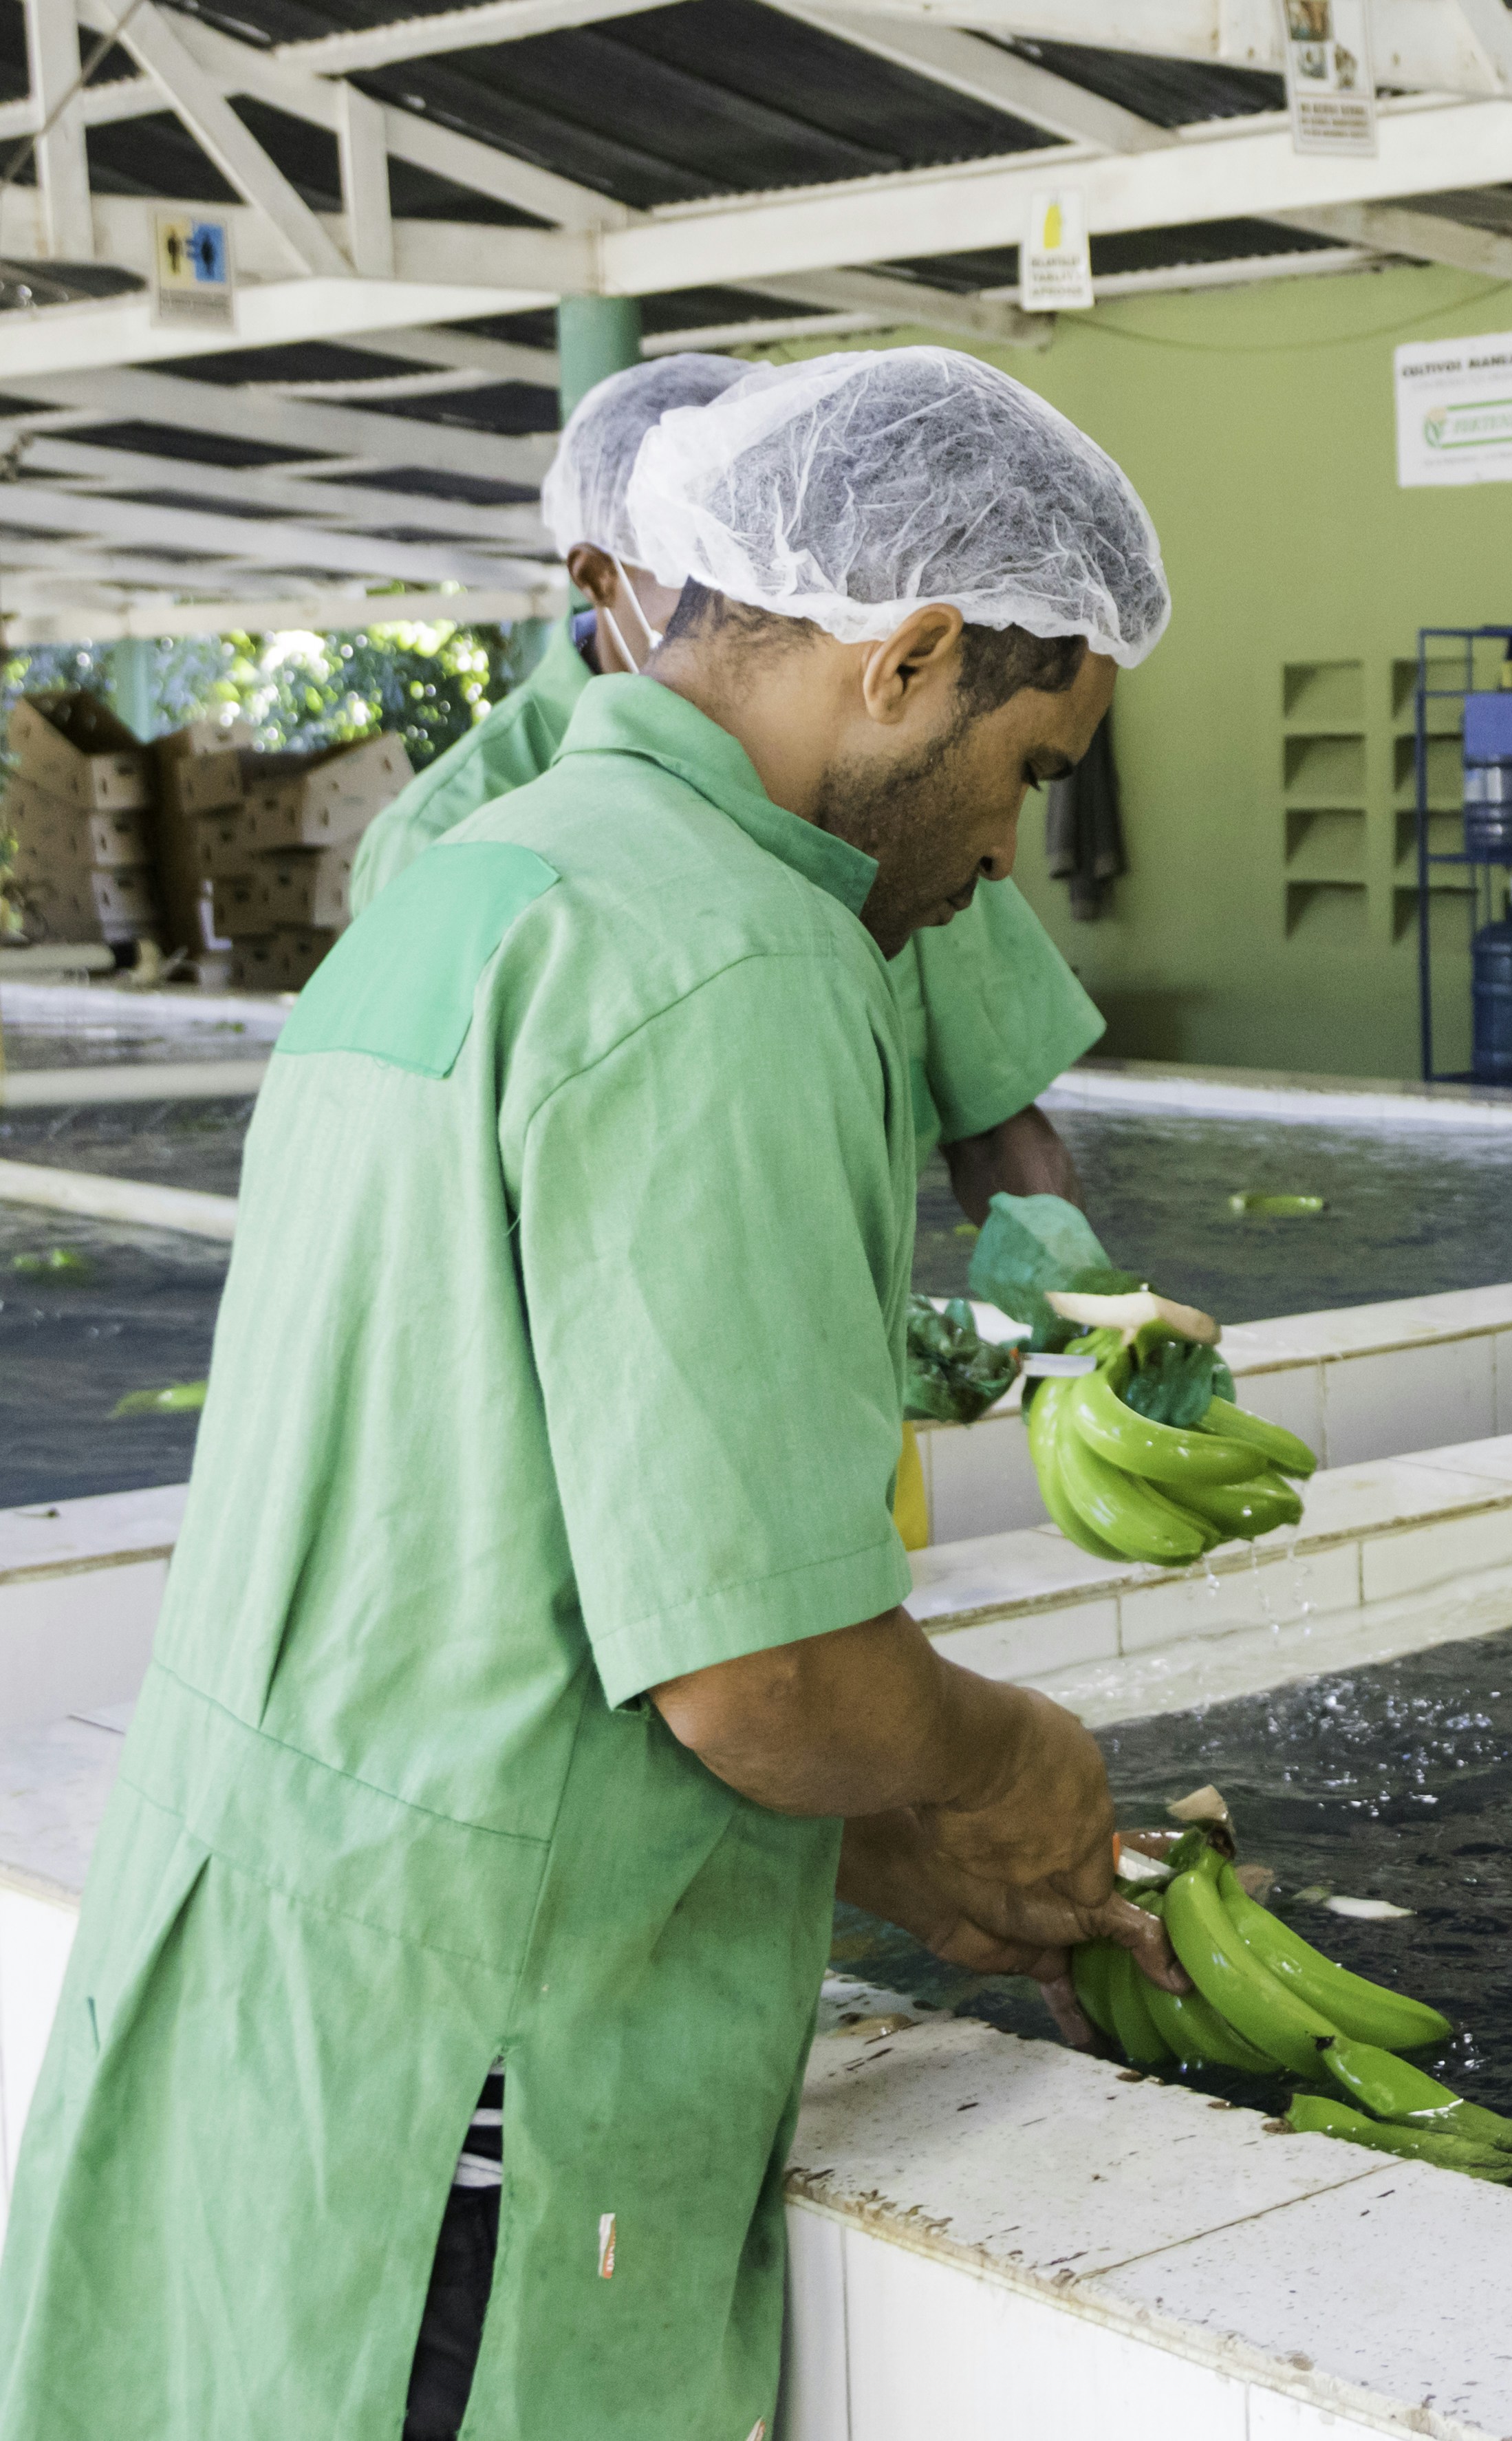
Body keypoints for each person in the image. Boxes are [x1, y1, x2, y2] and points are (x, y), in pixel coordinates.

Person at [0, 348, 1181, 2441]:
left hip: (280, 1980)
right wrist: (1000, 1754)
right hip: (474, 2091)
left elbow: (481, 1538)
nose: (1013, 844)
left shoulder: (493, 873)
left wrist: (890, 1863)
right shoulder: (734, 962)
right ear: (909, 657)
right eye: (1037, 762)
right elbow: (763, 1677)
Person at [347, 351, 1100, 1221]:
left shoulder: (897, 815)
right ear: (598, 576)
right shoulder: (445, 839)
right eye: (698, 567)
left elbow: (999, 1115)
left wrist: (1094, 1326)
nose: (752, 596)